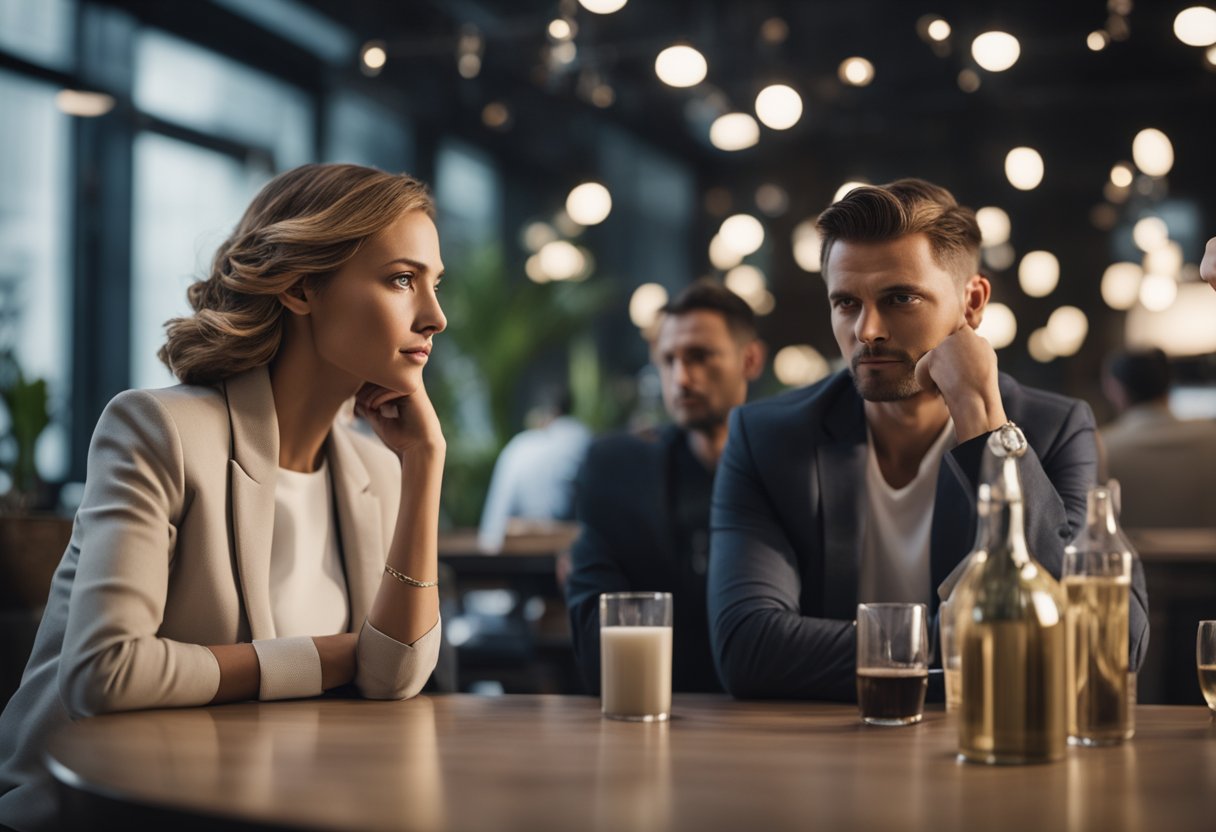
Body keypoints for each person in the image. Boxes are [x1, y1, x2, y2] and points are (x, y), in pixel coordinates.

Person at [0, 164, 447, 831]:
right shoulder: (159, 430)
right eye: (403, 279)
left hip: (256, 804)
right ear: (301, 287)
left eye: (434, 284)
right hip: (94, 812)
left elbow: (394, 675)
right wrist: (331, 655)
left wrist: (424, 465)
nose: (434, 316)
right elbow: (105, 672)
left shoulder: (376, 469)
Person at [707, 179, 1149, 701]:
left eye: (900, 298)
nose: (867, 329)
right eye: (846, 303)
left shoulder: (1055, 429)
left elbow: (1108, 645)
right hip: (826, 753)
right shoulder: (769, 437)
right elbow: (748, 650)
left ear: (972, 302)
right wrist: (982, 650)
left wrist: (984, 424)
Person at [565, 280, 765, 694]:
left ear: (749, 360)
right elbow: (596, 635)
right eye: (668, 360)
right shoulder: (618, 475)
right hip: (656, 705)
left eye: (700, 357)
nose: (681, 379)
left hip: (770, 710)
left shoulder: (788, 469)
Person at [1100, 347, 1216, 527]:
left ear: (1114, 388)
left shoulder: (1101, 448)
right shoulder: (1211, 436)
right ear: (1169, 383)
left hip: (1134, 555)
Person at [477, 388, 591, 553]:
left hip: (520, 553)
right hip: (570, 550)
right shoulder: (582, 438)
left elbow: (493, 524)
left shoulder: (520, 446)